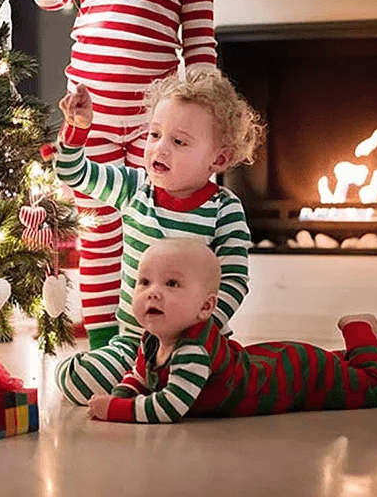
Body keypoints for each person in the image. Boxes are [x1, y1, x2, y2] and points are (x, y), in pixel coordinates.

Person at [31, 0, 215, 349]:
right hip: (90, 121)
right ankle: (107, 339)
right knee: (99, 231)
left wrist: (206, 124)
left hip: (151, 128)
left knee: (148, 228)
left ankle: (152, 333)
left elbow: (201, 50)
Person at [53, 69, 265, 404]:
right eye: (154, 135)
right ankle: (146, 379)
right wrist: (77, 131)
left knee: (221, 390)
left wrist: (201, 330)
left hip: (195, 343)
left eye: (178, 141)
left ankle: (161, 382)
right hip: (134, 341)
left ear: (219, 158)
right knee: (75, 380)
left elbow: (235, 281)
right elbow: (73, 172)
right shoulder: (133, 188)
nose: (159, 149)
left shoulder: (224, 210)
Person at [86, 238, 377, 423]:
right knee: (335, 371)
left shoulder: (193, 350)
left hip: (287, 377)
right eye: (144, 282)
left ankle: (359, 330)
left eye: (172, 284)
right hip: (260, 364)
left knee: (371, 390)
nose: (152, 292)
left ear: (205, 308)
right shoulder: (154, 339)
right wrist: (122, 392)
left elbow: (168, 407)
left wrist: (115, 409)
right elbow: (140, 376)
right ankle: (368, 359)